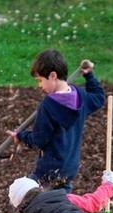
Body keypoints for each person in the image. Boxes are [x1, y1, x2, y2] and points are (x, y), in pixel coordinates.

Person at [7, 49, 105, 192]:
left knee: (26, 196)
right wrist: (89, 76)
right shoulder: (80, 96)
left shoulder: (48, 105)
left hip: (49, 171)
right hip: (69, 168)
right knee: (59, 205)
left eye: (40, 80)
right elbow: (98, 97)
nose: (39, 85)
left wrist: (21, 136)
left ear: (53, 76)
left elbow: (39, 140)